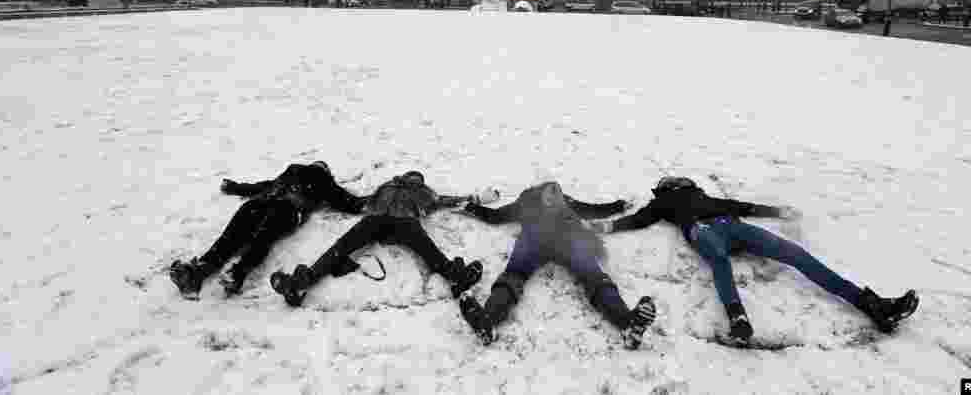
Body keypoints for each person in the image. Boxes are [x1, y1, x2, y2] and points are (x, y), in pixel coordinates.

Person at [591, 176, 918, 342]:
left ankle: (872, 305)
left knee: (796, 254)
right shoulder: (665, 203)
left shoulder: (703, 196)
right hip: (708, 229)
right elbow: (639, 219)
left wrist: (776, 211)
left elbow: (739, 205)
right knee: (723, 260)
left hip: (729, 226)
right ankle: (739, 320)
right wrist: (609, 226)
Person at [456, 181, 657, 350]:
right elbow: (496, 216)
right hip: (538, 239)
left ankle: (628, 324)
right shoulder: (527, 200)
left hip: (565, 240)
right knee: (515, 274)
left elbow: (593, 210)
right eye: (550, 200)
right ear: (540, 195)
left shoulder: (565, 201)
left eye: (557, 201)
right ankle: (487, 321)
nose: (554, 203)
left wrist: (617, 205)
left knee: (592, 275)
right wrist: (471, 207)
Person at [269, 171, 491, 307]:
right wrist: (327, 197)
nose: (414, 179)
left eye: (416, 177)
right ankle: (303, 282)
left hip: (389, 220)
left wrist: (474, 199)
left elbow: (443, 200)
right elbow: (361, 202)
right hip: (390, 220)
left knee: (343, 247)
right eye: (415, 176)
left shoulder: (406, 189)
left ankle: (304, 280)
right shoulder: (402, 188)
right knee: (343, 247)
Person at [169, 160, 368, 299]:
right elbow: (347, 202)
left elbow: (264, 185)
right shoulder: (323, 180)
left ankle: (199, 270)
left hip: (263, 201)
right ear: (326, 170)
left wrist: (236, 187)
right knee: (264, 237)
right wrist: (372, 201)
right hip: (289, 209)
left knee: (231, 237)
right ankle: (237, 273)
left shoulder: (293, 171)